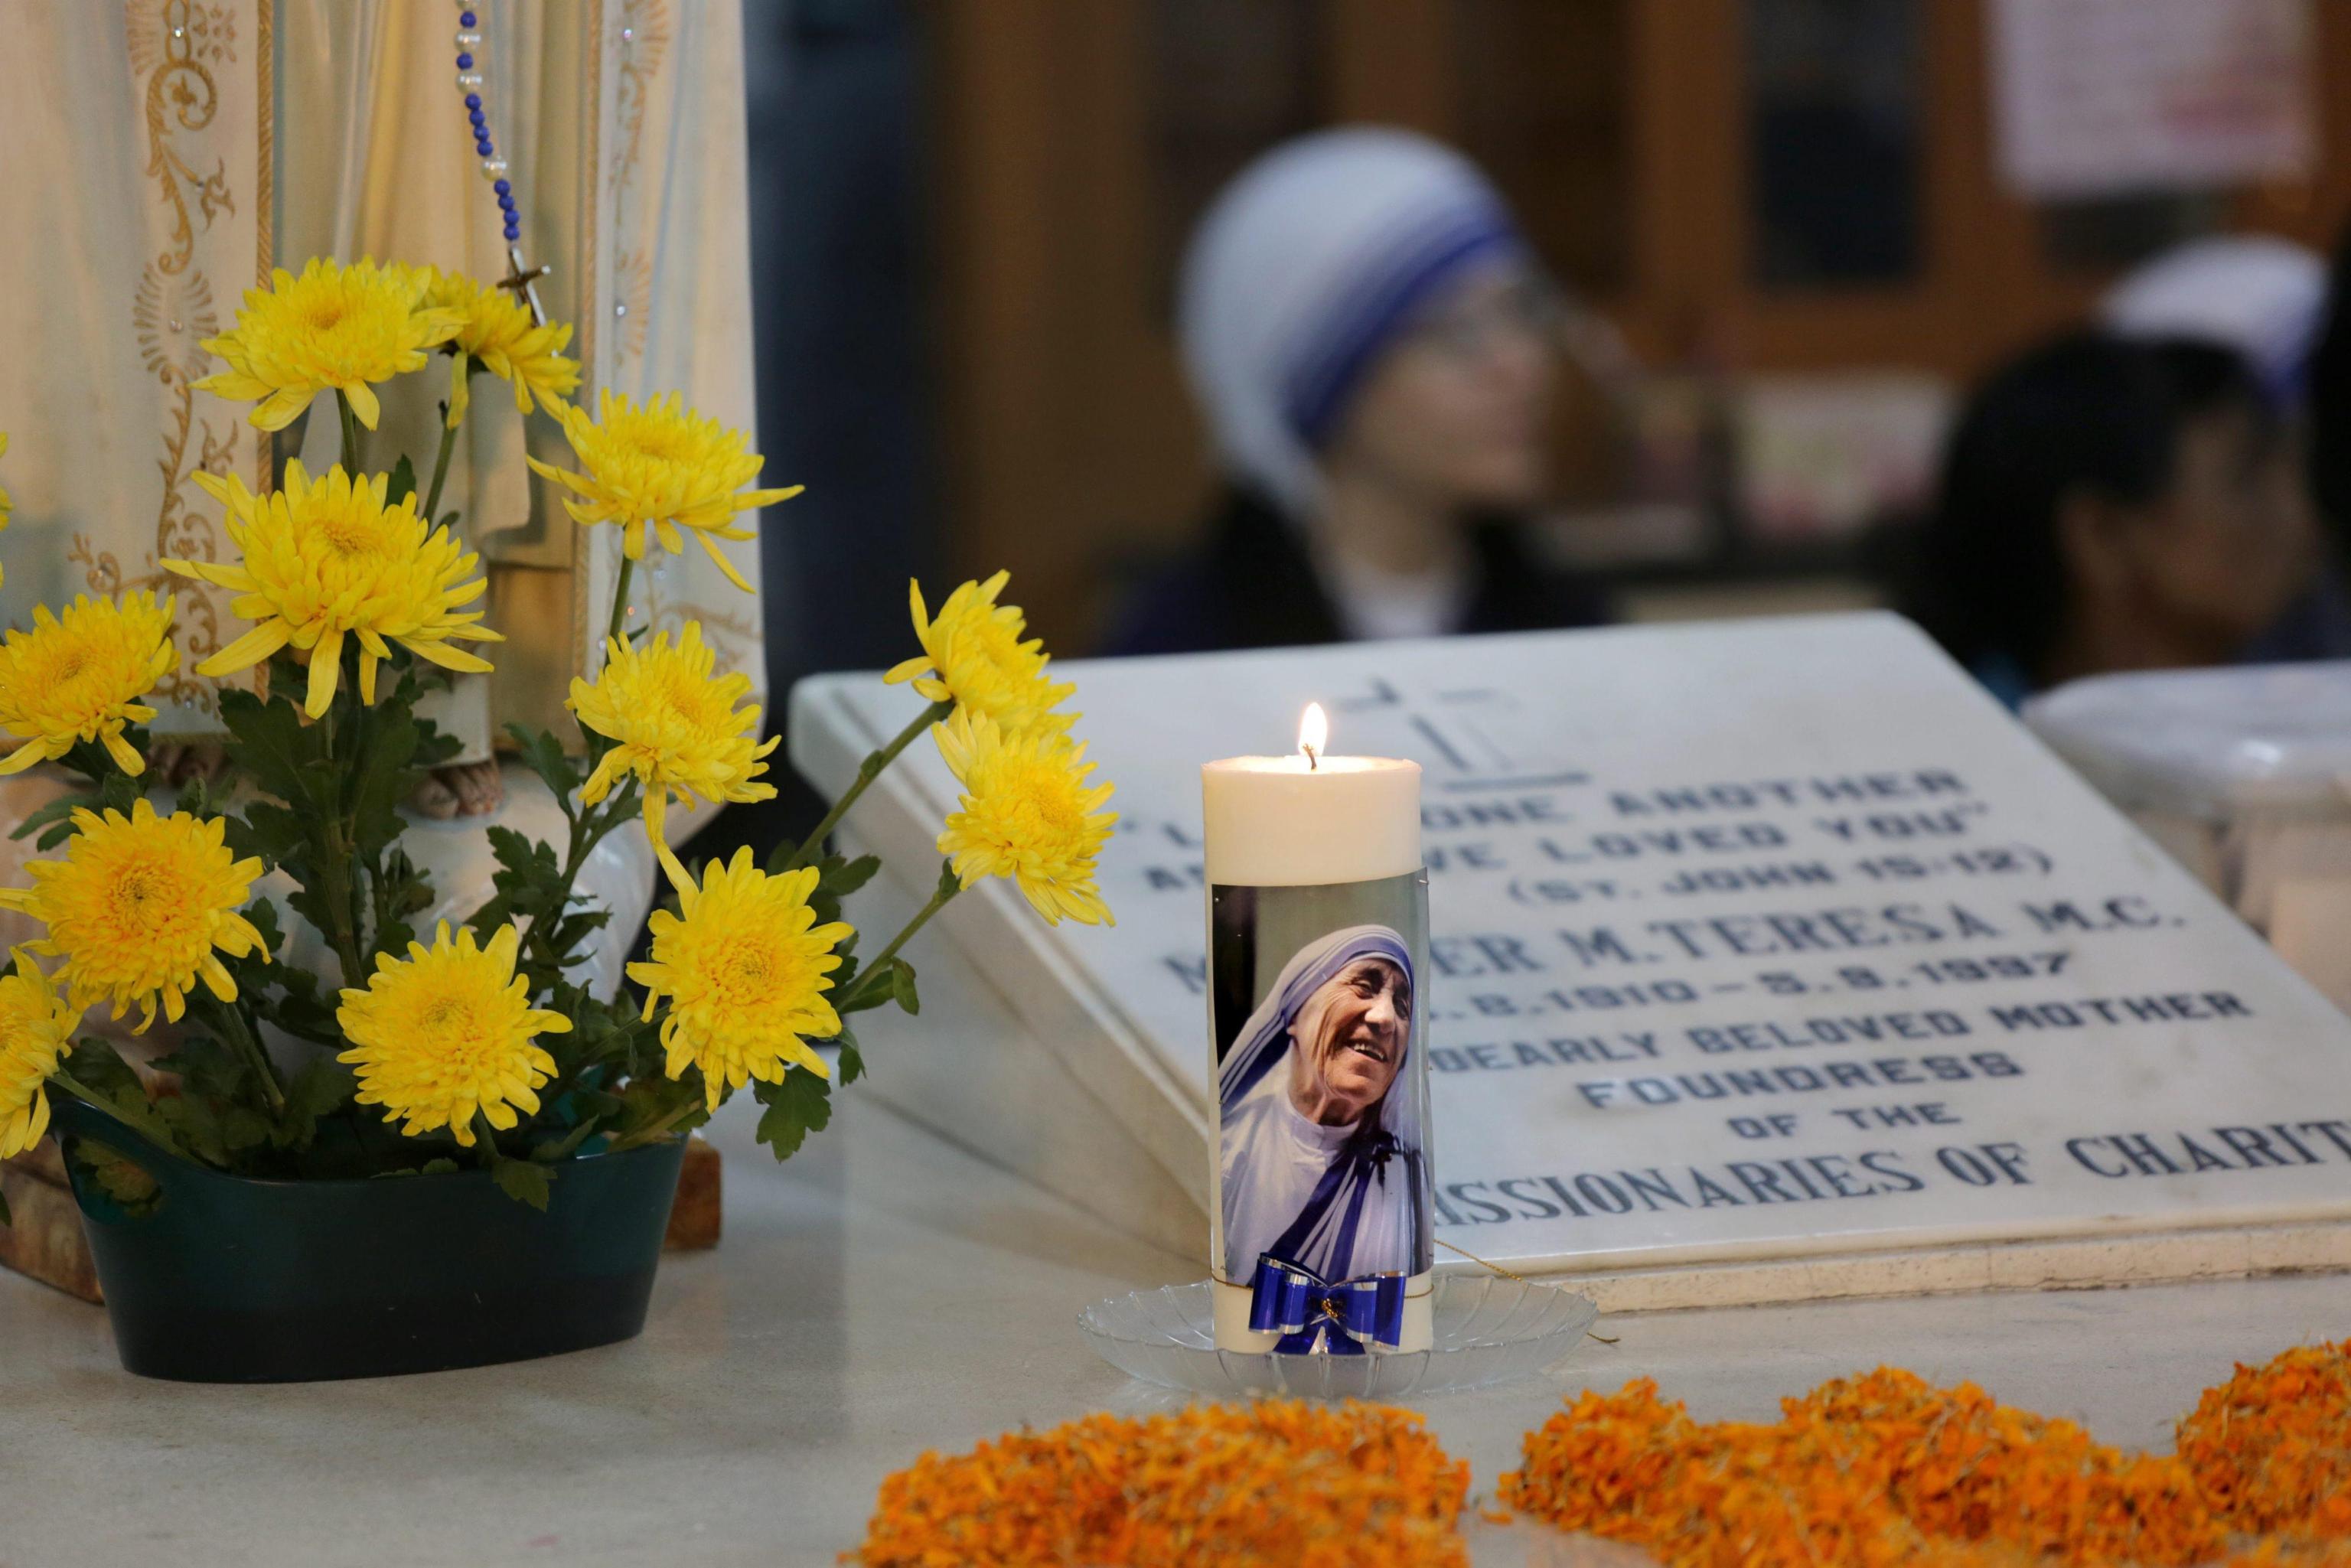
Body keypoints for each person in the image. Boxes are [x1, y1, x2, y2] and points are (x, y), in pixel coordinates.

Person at [1104, 128, 1610, 656]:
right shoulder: (1184, 650)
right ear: (1326, 382)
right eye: (1457, 331)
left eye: (1522, 309)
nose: (1520, 365)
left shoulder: (1566, 630)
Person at [1902, 331, 2319, 706]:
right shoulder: (1971, 745)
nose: (2297, 508)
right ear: (2103, 536)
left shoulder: (2280, 708)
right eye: (2245, 478)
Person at [1218, 925, 1429, 1289]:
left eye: (1402, 1007)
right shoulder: (1229, 1147)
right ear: (1295, 1013)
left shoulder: (1404, 1180)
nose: (1385, 1018)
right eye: (1364, 987)